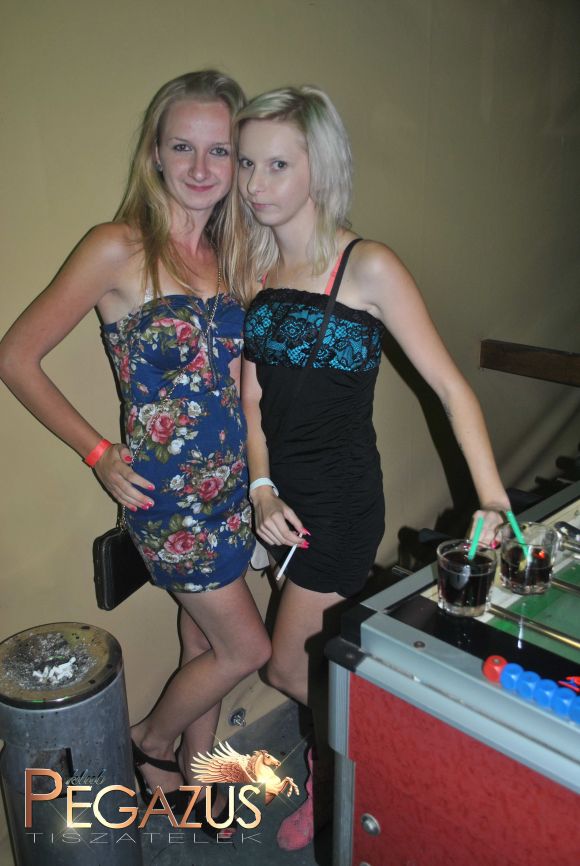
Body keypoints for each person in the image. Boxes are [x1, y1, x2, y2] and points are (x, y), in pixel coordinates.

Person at [222, 85, 511, 849]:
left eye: (277, 164)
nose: (254, 183)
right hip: (283, 505)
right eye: (247, 163)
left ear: (319, 167)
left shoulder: (368, 265)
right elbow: (252, 403)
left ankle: (354, 769)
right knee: (313, 660)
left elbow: (449, 386)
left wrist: (491, 499)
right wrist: (259, 490)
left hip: (340, 506)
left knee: (288, 670)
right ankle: (346, 753)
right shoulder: (259, 271)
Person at [0, 70, 271, 827]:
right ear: (155, 152)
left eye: (219, 150)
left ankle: (195, 785)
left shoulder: (232, 256)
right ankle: (149, 742)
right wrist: (96, 451)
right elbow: (15, 357)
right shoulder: (117, 247)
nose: (200, 168)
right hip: (167, 501)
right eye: (183, 147)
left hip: (233, 489)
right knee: (245, 649)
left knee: (201, 639)